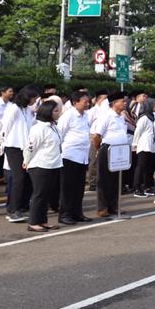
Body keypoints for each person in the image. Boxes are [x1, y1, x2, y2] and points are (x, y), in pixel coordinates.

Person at [23, 99, 64, 232]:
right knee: (39, 194)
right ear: (48, 112)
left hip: (54, 164)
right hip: (41, 165)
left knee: (46, 194)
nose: (59, 113)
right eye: (56, 111)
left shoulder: (53, 127)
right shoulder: (38, 128)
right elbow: (30, 147)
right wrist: (26, 161)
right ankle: (33, 222)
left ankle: (42, 220)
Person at [1, 86, 38, 223]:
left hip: (25, 147)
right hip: (13, 147)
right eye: (33, 98)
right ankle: (13, 210)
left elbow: (31, 125)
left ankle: (20, 207)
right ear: (27, 97)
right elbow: (6, 126)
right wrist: (2, 144)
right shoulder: (13, 108)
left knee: (25, 177)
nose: (35, 100)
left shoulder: (27, 110)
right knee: (19, 178)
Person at [91, 90, 131, 217]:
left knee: (116, 180)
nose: (125, 103)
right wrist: (99, 149)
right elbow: (97, 136)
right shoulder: (106, 116)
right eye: (122, 101)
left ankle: (113, 206)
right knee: (103, 180)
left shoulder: (121, 117)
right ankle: (102, 208)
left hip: (119, 151)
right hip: (107, 149)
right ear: (114, 103)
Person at [56, 91, 93, 225]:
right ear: (75, 102)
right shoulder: (68, 116)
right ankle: (65, 214)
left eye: (88, 101)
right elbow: (60, 135)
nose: (87, 104)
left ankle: (77, 213)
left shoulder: (86, 116)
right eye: (85, 102)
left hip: (82, 156)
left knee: (79, 187)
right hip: (70, 155)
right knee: (68, 188)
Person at [131, 96, 155, 197]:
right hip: (143, 145)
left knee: (149, 168)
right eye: (154, 104)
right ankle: (137, 188)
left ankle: (147, 186)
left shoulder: (152, 117)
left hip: (151, 145)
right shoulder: (144, 118)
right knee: (141, 167)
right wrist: (135, 144)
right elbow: (138, 132)